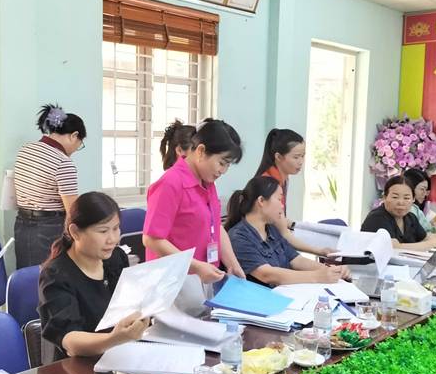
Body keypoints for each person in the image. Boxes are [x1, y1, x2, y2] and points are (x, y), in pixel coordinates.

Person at [38, 192, 149, 361]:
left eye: (116, 228)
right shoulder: (55, 275)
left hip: (119, 355)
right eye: (103, 231)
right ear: (75, 232)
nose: (112, 239)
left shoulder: (116, 257)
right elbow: (70, 340)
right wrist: (114, 338)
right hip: (76, 366)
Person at [143, 118, 246, 285]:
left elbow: (215, 225)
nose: (223, 171)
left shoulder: (207, 183)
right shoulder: (170, 183)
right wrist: (196, 266)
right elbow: (152, 239)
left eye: (228, 165)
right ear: (201, 151)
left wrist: (232, 264)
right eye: (222, 163)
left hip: (203, 277)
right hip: (172, 282)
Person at [226, 177, 349, 287]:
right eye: (279, 199)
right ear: (261, 201)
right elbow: (267, 274)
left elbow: (296, 260)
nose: (282, 206)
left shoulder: (271, 229)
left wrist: (330, 270)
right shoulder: (238, 237)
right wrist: (317, 276)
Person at [13, 104, 86, 269]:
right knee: (49, 276)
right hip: (49, 228)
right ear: (74, 135)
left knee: (26, 275)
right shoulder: (63, 162)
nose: (76, 149)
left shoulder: (26, 150)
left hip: (22, 224)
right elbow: (72, 211)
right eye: (80, 144)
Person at [255, 128, 334, 257]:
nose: (301, 161)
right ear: (278, 157)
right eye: (296, 157)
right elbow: (284, 233)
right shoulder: (270, 184)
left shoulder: (284, 179)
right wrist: (319, 251)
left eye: (303, 156)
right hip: (265, 248)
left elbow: (280, 220)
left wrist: (294, 224)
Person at [361, 176, 436, 252]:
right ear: (384, 198)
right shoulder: (377, 217)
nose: (401, 202)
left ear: (413, 199)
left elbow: (426, 238)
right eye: (395, 197)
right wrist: (434, 244)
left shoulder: (410, 217)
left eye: (406, 198)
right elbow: (394, 247)